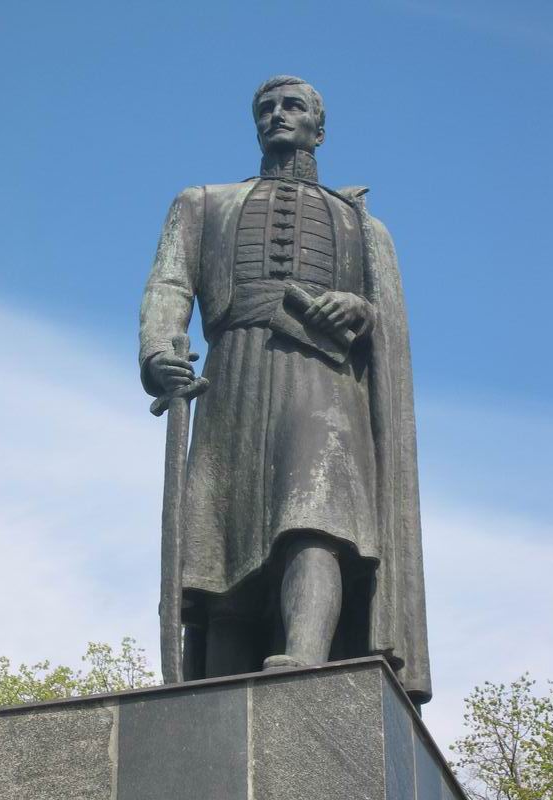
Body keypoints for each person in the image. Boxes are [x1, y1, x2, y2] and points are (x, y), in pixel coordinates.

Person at [139, 75, 432, 706]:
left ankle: (305, 659)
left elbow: (384, 317)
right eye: (266, 107)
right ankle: (219, 692)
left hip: (325, 380)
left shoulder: (361, 226)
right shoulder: (203, 203)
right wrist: (160, 353)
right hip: (232, 375)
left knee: (317, 513)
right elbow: (169, 287)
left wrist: (360, 309)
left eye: (292, 106)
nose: (277, 114)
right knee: (222, 536)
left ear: (318, 129)